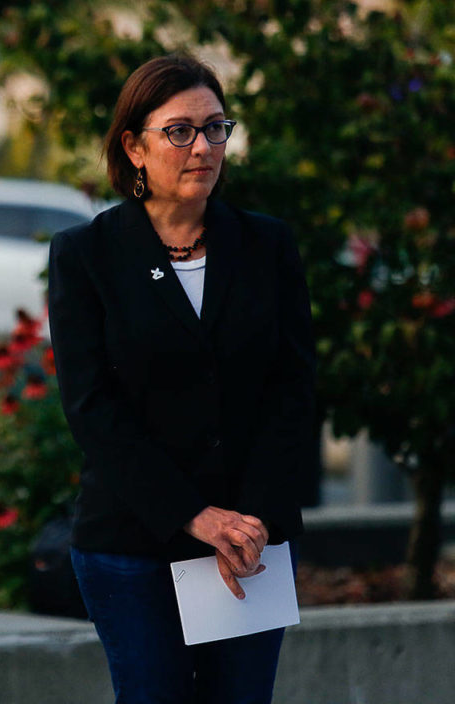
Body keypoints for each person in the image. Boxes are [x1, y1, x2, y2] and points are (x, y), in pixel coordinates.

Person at [47, 54, 315, 703]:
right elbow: (93, 408)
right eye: (180, 131)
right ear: (134, 147)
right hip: (134, 540)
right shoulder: (86, 255)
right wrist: (196, 517)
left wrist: (246, 522)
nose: (204, 146)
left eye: (217, 127)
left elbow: (293, 389)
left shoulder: (266, 245)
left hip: (252, 541)